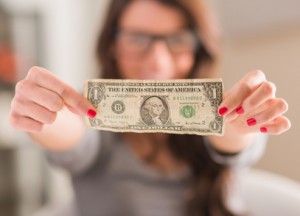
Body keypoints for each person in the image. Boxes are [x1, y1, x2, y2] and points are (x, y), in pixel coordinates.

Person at [10, 0, 291, 216]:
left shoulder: (222, 109)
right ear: (112, 45)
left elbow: (230, 142)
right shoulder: (90, 112)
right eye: (137, 39)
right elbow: (72, 135)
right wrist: (46, 115)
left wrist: (239, 122)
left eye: (177, 40)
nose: (157, 61)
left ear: (198, 49)